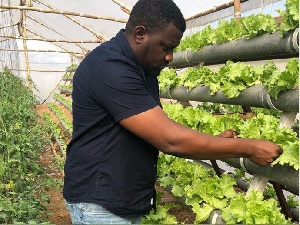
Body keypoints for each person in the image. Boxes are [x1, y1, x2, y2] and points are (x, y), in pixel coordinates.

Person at [63, 0, 283, 224]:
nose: (169, 57)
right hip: (101, 206)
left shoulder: (142, 68)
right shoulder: (110, 67)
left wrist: (214, 141)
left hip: (118, 200)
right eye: (166, 47)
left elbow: (154, 127)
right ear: (140, 34)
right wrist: (248, 148)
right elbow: (169, 139)